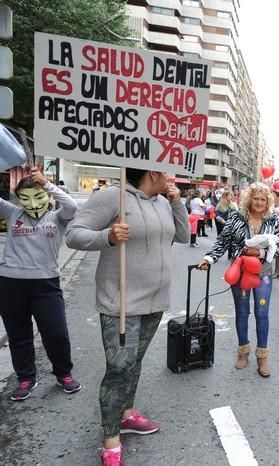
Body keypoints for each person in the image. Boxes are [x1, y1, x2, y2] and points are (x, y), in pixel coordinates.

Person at [66, 168, 189, 466]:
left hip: (154, 301)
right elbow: (73, 234)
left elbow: (183, 236)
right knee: (119, 366)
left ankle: (127, 414)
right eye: (166, 173)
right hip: (119, 302)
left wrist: (177, 203)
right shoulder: (113, 196)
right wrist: (107, 236)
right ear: (152, 172)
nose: (170, 177)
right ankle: (110, 439)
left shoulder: (163, 201)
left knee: (134, 363)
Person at [0, 168, 81, 402]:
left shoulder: (56, 217)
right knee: (18, 335)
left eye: (38, 195)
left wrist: (47, 184)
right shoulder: (13, 213)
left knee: (56, 333)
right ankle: (26, 377)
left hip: (46, 284)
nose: (32, 203)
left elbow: (72, 207)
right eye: (25, 197)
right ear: (18, 198)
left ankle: (63, 373)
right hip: (10, 283)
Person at [197, 183, 279, 376]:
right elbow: (222, 241)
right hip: (241, 272)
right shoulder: (236, 217)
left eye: (263, 199)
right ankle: (243, 351)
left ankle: (262, 356)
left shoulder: (274, 219)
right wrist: (209, 258)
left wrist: (260, 251)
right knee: (242, 312)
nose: (259, 202)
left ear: (268, 201)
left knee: (262, 312)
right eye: (256, 198)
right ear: (249, 199)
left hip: (263, 273)